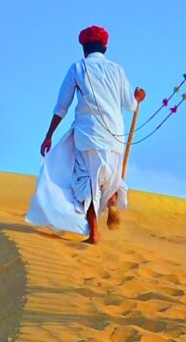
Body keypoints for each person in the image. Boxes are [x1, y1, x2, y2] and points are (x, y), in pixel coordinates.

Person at [28, 25, 137, 244]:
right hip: (116, 136)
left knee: (87, 182)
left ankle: (94, 232)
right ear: (105, 47)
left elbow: (62, 106)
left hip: (89, 134)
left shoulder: (78, 68)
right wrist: (138, 97)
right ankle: (113, 198)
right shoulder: (117, 70)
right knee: (109, 177)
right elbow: (131, 105)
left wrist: (49, 135)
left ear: (83, 47)